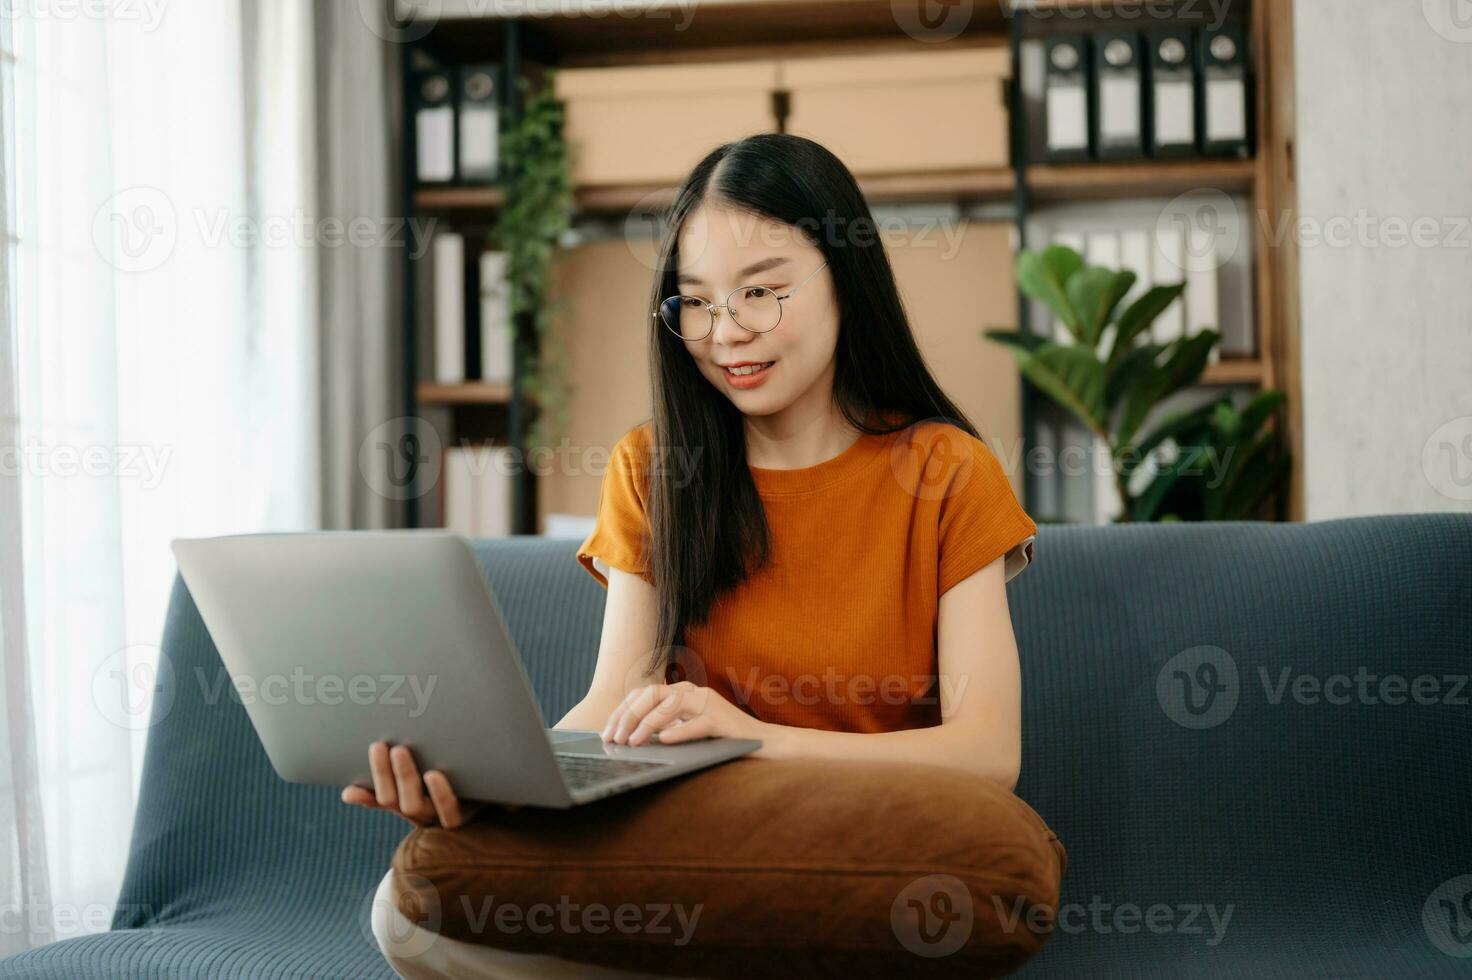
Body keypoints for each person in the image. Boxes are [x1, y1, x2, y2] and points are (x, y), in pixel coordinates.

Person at [347, 132, 1038, 979]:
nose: (727, 335)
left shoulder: (948, 472)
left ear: (845, 281)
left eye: (762, 293)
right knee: (404, 912)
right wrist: (489, 783)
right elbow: (615, 703)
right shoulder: (652, 469)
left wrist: (754, 738)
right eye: (697, 303)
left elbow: (987, 752)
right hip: (691, 850)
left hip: (866, 851)